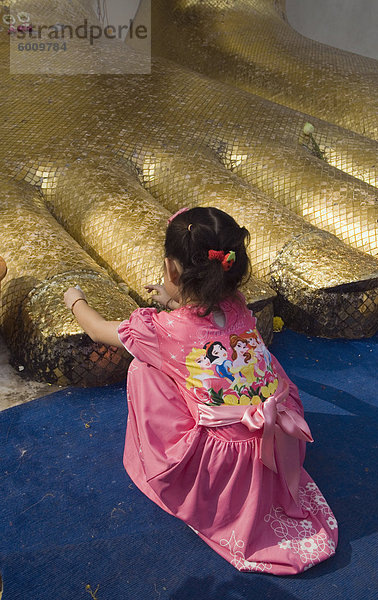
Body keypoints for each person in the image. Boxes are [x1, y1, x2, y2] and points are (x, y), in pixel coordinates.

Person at [64, 206, 338, 575]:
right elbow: (207, 322)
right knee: (258, 362)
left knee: (143, 368)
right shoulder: (240, 307)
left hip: (225, 464)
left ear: (171, 269)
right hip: (283, 432)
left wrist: (75, 300)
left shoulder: (157, 330)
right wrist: (174, 299)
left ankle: (167, 470)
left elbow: (97, 329)